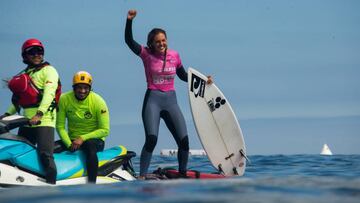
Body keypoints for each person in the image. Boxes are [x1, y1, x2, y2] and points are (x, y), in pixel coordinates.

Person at [125, 10, 212, 179]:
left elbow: (183, 76)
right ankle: (141, 177)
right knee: (151, 139)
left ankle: (182, 174)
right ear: (151, 43)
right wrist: (129, 21)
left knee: (184, 142)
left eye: (163, 40)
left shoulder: (175, 55)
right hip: (153, 100)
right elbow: (129, 41)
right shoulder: (146, 54)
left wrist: (203, 79)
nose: (161, 43)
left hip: (171, 101)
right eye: (157, 41)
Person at [2, 38, 58, 184]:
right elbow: (18, 100)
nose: (37, 55)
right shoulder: (25, 74)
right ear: (25, 56)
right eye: (32, 52)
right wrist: (6, 115)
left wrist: (39, 114)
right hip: (26, 122)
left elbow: (49, 94)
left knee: (45, 155)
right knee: (20, 152)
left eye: (39, 51)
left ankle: (53, 187)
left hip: (43, 120)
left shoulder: (49, 71)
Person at [56, 71, 110, 183]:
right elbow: (60, 126)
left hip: (94, 140)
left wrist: (82, 138)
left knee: (90, 146)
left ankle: (91, 184)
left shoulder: (98, 101)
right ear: (74, 88)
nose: (82, 91)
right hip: (72, 140)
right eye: (79, 87)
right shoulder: (64, 99)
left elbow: (105, 130)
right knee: (50, 148)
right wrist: (68, 143)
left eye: (86, 88)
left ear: (90, 88)